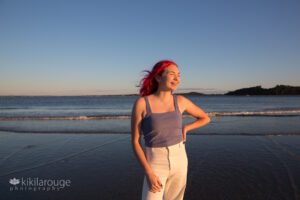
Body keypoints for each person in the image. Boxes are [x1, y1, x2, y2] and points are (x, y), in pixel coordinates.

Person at [131, 60, 211, 200]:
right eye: (172, 74)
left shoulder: (180, 101)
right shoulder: (142, 103)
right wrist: (148, 172)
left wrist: (186, 127)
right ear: (158, 77)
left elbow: (205, 118)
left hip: (180, 159)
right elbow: (135, 141)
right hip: (155, 162)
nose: (177, 79)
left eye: (179, 75)